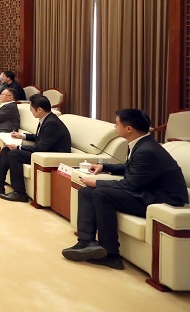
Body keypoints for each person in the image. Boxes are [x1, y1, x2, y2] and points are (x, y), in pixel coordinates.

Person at [62, 109, 188, 270]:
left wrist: (97, 183)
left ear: (129, 129)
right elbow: (130, 168)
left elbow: (130, 185)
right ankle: (86, 242)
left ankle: (111, 255)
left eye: (117, 123)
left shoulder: (147, 150)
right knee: (86, 192)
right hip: (148, 192)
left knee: (101, 193)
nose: (114, 126)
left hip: (163, 201)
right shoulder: (142, 144)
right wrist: (104, 167)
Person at [0, 94, 71, 202]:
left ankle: (20, 193)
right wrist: (22, 136)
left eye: (31, 108)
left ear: (39, 109)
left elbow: (41, 147)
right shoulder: (46, 119)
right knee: (6, 150)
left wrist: (18, 147)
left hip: (51, 155)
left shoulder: (52, 123)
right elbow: (40, 137)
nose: (30, 111)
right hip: (43, 151)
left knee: (14, 154)